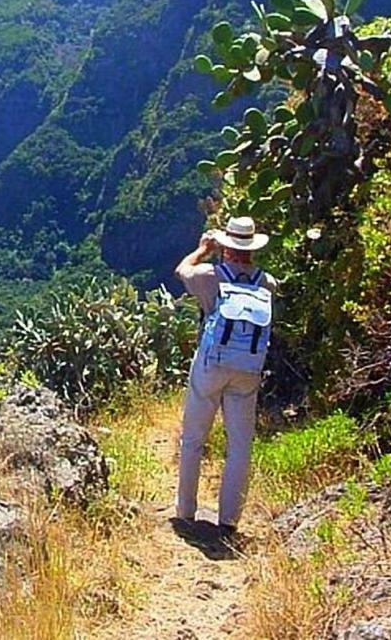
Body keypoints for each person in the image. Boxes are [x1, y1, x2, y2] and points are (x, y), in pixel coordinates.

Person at [173, 215, 278, 540]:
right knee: (240, 445)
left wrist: (203, 249)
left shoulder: (209, 276)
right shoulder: (267, 283)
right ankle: (229, 520)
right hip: (247, 368)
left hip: (212, 363)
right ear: (252, 248)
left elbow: (181, 270)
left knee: (193, 439)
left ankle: (186, 512)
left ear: (227, 246)